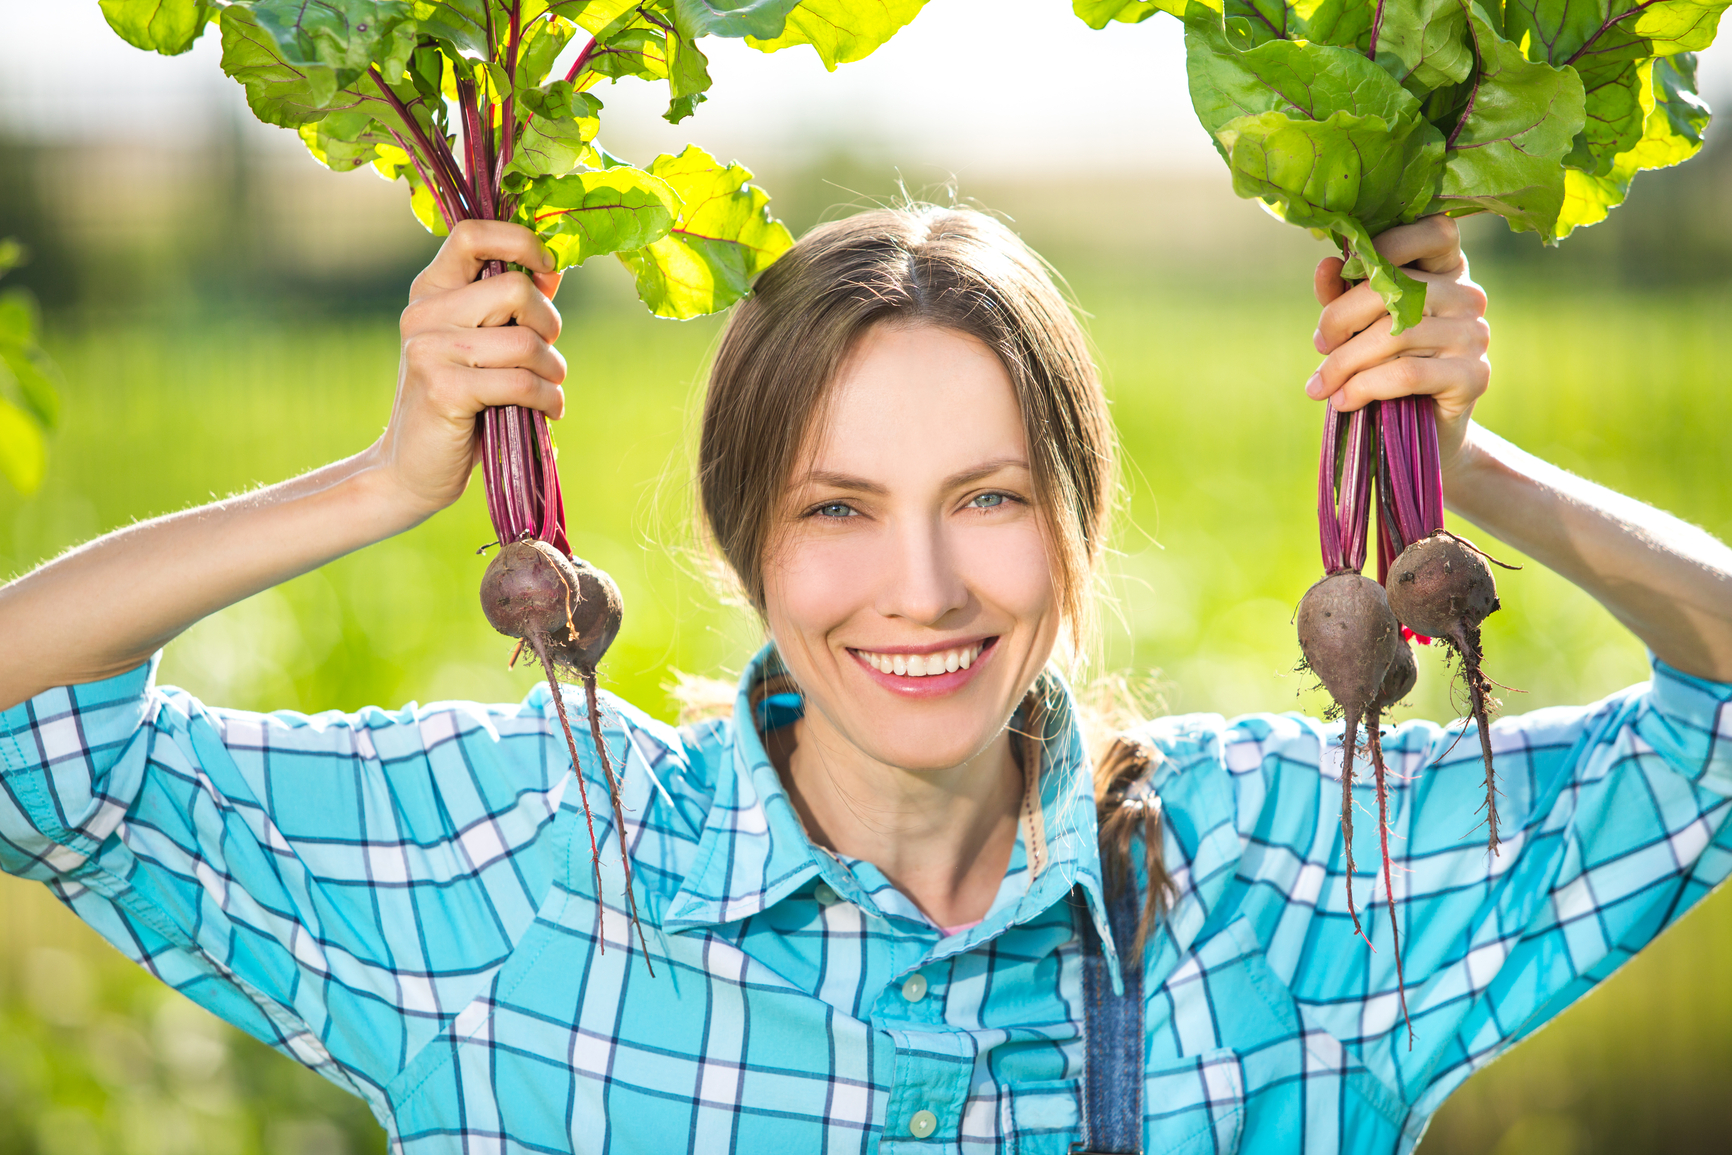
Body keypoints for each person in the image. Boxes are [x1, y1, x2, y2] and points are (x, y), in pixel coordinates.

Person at [0, 207, 1728, 1155]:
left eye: (986, 500)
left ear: (1073, 525)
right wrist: (381, 486)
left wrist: (1468, 468)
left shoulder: (1293, 873)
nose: (921, 588)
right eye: (839, 509)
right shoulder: (529, 860)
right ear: (746, 541)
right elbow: (31, 732)